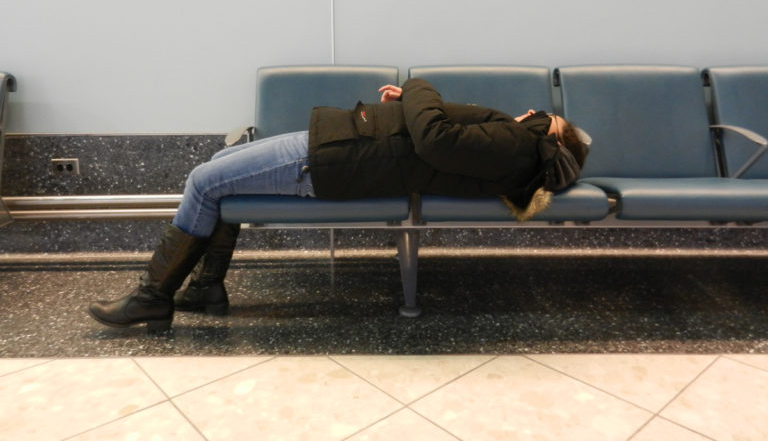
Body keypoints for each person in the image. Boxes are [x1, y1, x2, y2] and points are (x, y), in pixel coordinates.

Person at [88, 78, 588, 331]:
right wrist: (408, 103)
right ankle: (204, 290)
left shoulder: (520, 147)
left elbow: (435, 141)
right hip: (346, 145)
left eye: (546, 116)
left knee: (203, 180)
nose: (534, 111)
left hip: (335, 157)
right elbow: (442, 137)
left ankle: (154, 297)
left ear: (552, 138)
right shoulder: (515, 145)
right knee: (221, 166)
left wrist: (419, 86)